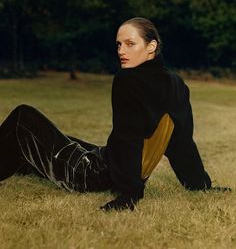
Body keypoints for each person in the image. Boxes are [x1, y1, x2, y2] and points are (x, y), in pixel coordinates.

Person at [0, 17, 230, 212]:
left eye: (130, 44)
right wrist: (199, 185)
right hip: (105, 159)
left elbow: (128, 136)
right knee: (58, 139)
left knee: (23, 117)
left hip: (92, 173)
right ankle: (19, 161)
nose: (121, 51)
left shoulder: (127, 79)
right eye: (119, 44)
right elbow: (182, 142)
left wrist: (129, 194)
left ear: (151, 46)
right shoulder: (176, 84)